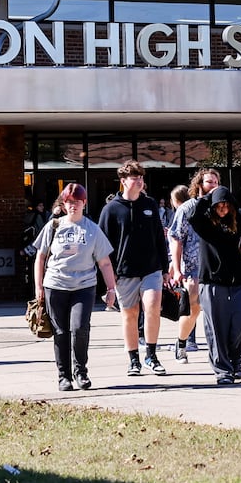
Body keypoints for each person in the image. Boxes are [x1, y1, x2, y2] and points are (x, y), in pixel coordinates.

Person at [32, 183, 119, 392]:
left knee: (80, 328)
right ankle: (64, 376)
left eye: (76, 202)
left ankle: (81, 371)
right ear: (64, 204)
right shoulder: (53, 226)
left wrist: (111, 289)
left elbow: (105, 262)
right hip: (55, 285)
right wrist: (39, 286)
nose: (72, 206)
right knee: (61, 332)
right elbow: (40, 257)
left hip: (84, 286)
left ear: (84, 203)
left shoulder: (92, 229)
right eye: (69, 202)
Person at [98, 160, 171, 377]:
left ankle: (151, 355)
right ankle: (133, 359)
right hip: (124, 272)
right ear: (123, 182)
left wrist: (165, 268)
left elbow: (159, 237)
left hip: (151, 269)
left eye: (141, 178)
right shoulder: (111, 210)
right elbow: (102, 248)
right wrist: (109, 281)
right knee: (130, 315)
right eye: (134, 178)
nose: (139, 181)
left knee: (152, 307)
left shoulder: (149, 205)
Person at [187, 185, 241, 385]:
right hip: (213, 281)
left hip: (239, 280)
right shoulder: (205, 222)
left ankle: (235, 362)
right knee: (216, 327)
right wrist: (208, 197)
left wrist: (232, 202)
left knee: (240, 325)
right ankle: (223, 370)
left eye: (226, 205)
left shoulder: (239, 220)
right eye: (219, 206)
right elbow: (193, 215)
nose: (223, 209)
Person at [168, 170, 219, 361]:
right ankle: (181, 342)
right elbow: (176, 238)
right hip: (193, 267)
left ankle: (218, 356)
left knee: (215, 312)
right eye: (209, 182)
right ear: (199, 185)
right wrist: (177, 269)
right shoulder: (187, 208)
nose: (213, 185)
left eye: (216, 182)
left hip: (216, 268)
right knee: (194, 309)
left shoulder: (221, 208)